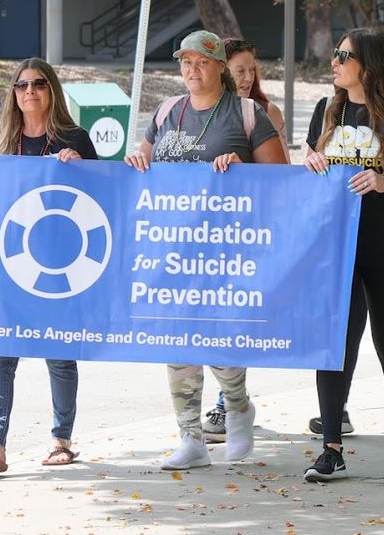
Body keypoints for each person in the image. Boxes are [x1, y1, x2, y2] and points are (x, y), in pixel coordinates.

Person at [125, 30, 287, 470]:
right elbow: (142, 164)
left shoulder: (247, 113)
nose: (192, 70)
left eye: (201, 62)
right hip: (172, 251)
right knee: (177, 341)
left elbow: (283, 181)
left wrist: (241, 171)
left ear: (219, 66)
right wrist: (138, 161)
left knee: (218, 338)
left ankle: (237, 407)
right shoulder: (166, 112)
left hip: (226, 252)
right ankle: (190, 436)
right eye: (185, 62)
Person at [301, 28, 384, 482]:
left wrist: (383, 183)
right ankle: (331, 447)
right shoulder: (326, 110)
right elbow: (307, 174)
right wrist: (311, 162)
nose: (334, 62)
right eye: (336, 54)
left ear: (369, 66)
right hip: (334, 246)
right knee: (335, 343)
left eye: (344, 56)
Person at [0, 58, 98, 474]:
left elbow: (106, 198)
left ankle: (61, 439)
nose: (29, 91)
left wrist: (84, 169)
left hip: (59, 265)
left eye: (38, 84)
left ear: (52, 89)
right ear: (13, 93)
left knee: (59, 353)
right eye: (21, 85)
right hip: (10, 266)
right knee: (0, 355)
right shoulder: (1, 142)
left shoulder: (74, 138)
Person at [201, 37, 292, 443]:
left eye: (251, 69)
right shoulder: (195, 112)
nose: (246, 77)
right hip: (201, 236)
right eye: (239, 69)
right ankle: (229, 399)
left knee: (232, 322)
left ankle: (228, 401)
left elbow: (281, 176)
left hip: (245, 234)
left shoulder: (262, 112)